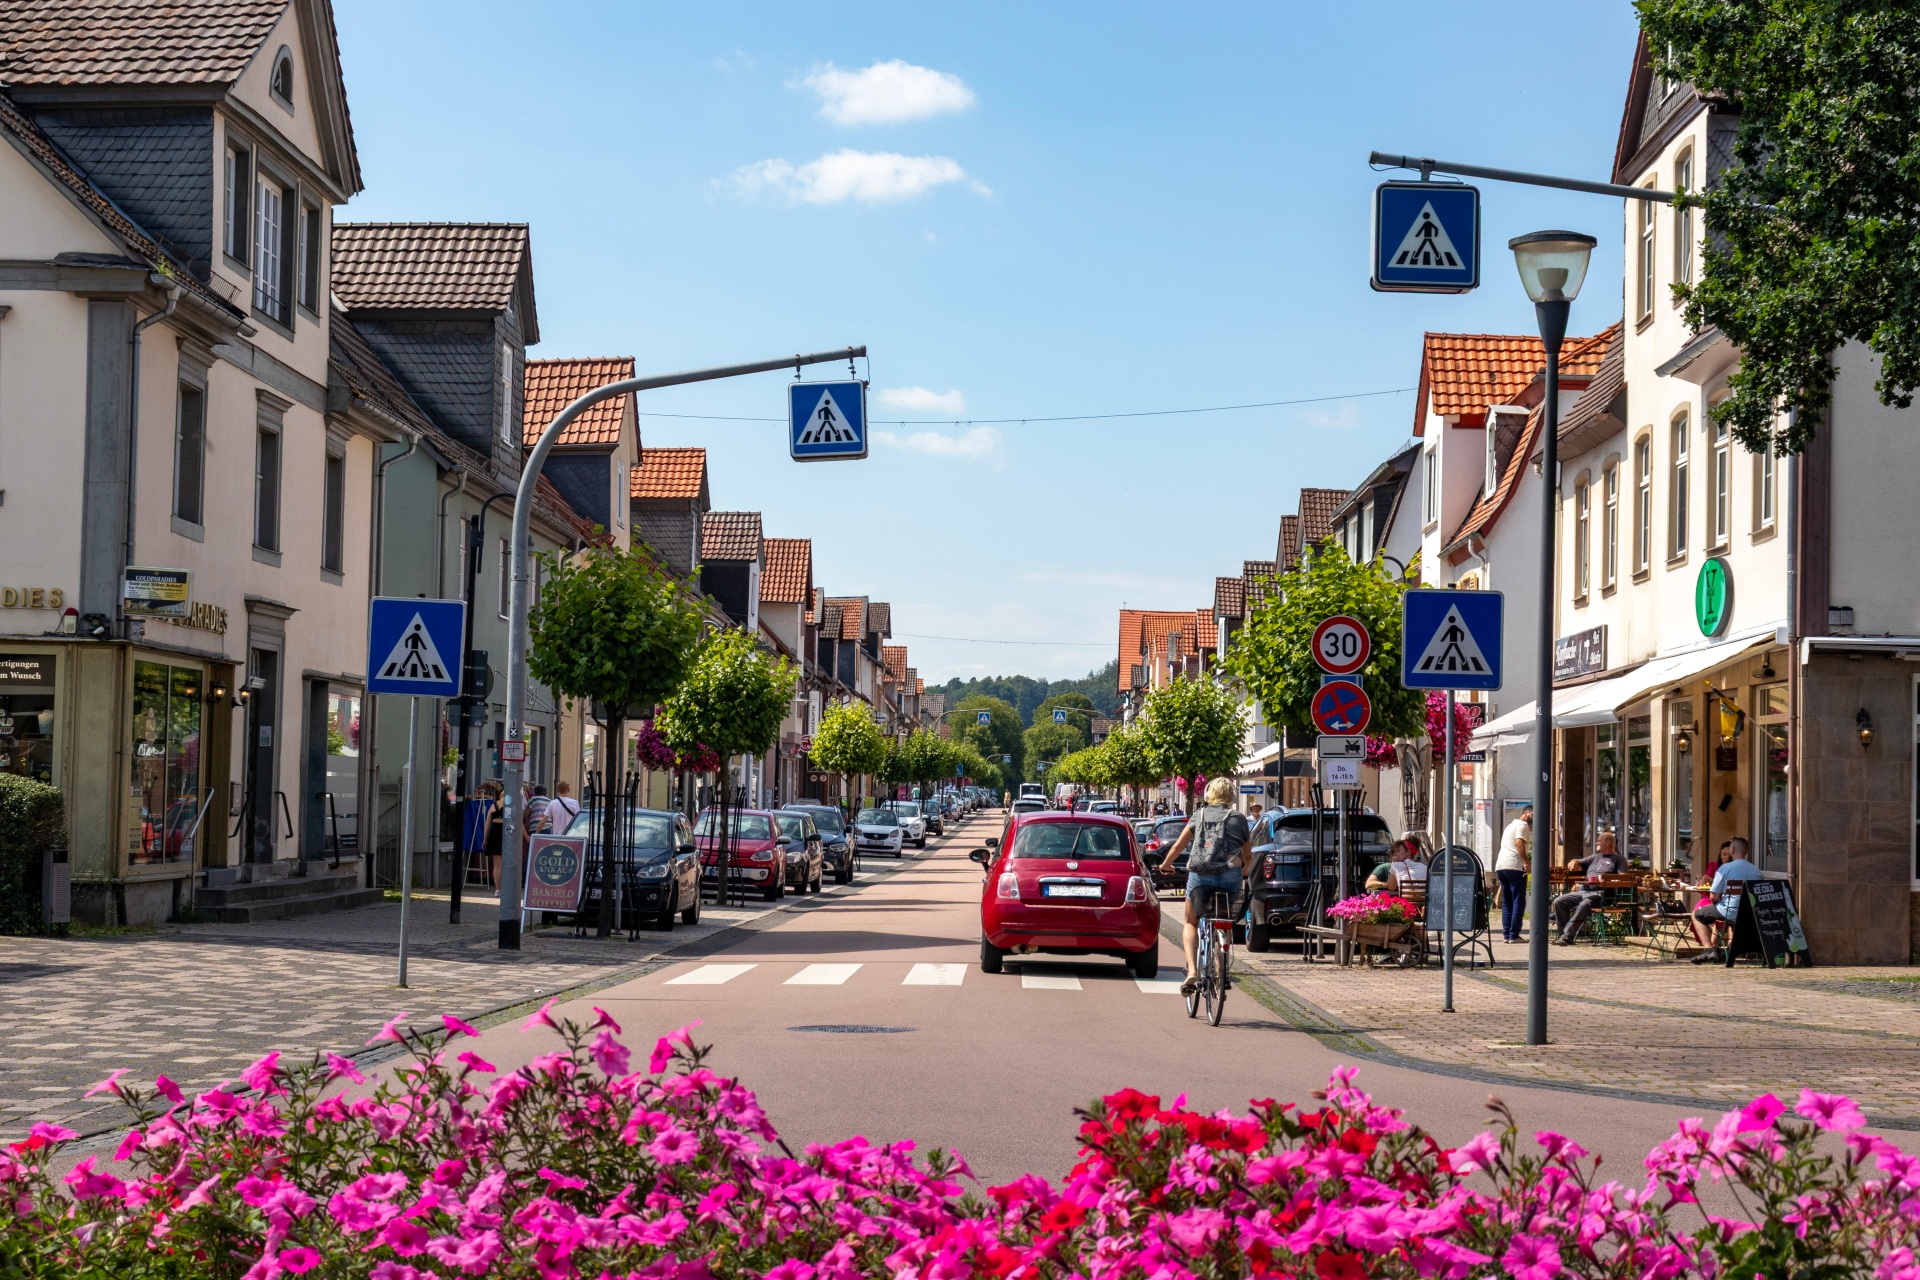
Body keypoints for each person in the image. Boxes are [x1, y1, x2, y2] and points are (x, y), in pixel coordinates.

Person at [1157, 777, 1252, 995]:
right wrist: (1245, 871)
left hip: (1201, 876)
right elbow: (1248, 855)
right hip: (1230, 876)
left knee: (1190, 921)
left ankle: (1192, 970)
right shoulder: (1239, 818)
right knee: (1224, 921)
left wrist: (1166, 865)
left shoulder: (1199, 815)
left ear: (1209, 794)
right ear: (1231, 795)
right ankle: (1221, 963)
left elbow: (1178, 846)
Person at [1691, 836, 1763, 964]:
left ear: (1732, 849)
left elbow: (1714, 897)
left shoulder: (1725, 869)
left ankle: (1708, 949)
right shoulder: (1756, 871)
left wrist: (1717, 904)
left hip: (1729, 911)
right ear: (1746, 851)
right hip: (1751, 914)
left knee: (1697, 914)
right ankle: (1729, 950)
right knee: (1732, 919)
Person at [1549, 831, 1627, 945]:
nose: (1596, 843)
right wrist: (1573, 862)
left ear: (1608, 843)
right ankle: (1562, 935)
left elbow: (1623, 878)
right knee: (1559, 901)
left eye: (1599, 840)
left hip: (1602, 894)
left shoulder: (1619, 859)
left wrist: (1606, 880)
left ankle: (1567, 936)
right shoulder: (1595, 857)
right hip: (1584, 891)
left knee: (1584, 904)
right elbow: (1578, 861)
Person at [1495, 806, 1532, 943]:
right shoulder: (1522, 825)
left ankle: (1507, 935)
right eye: (1533, 814)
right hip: (1515, 866)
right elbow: (1519, 843)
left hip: (1501, 866)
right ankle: (1514, 935)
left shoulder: (1510, 826)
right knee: (1518, 901)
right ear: (1526, 813)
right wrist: (1526, 862)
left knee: (1507, 902)